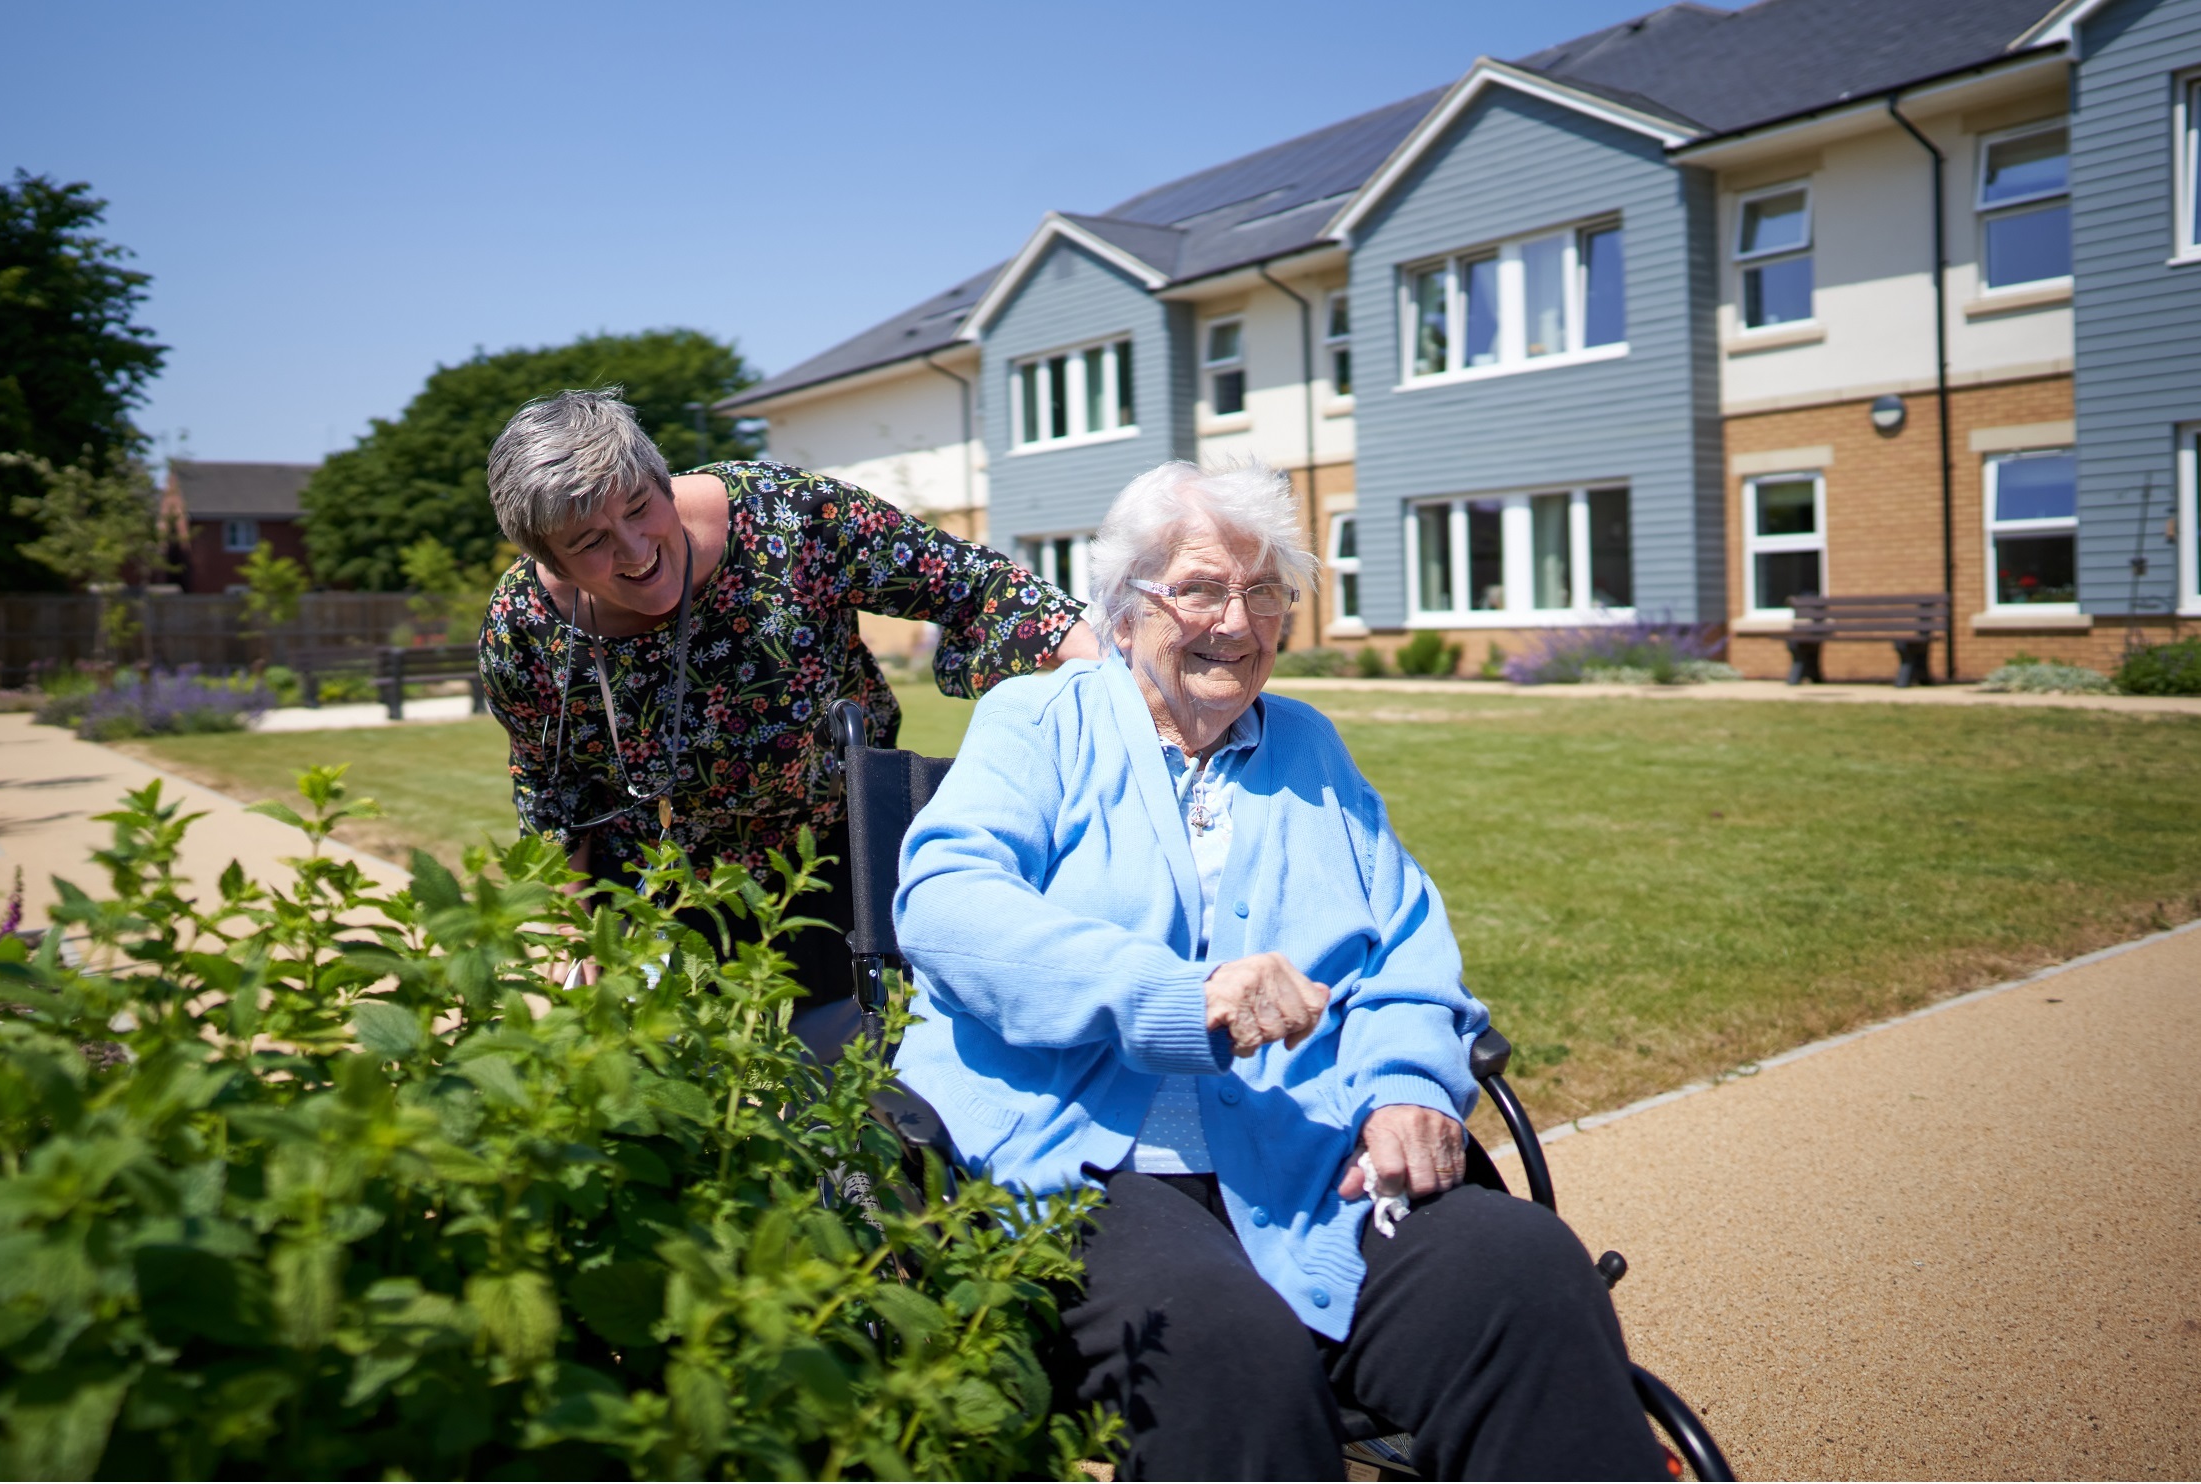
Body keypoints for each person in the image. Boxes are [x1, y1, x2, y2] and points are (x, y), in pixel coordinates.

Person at [890, 461, 1668, 1480]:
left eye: (1265, 592)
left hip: (1306, 1162)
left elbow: (1404, 947)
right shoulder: (1036, 722)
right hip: (1079, 1163)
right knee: (1221, 1350)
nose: (1238, 622)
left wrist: (1402, 1086)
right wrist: (1175, 996)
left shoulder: (1306, 746)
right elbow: (947, 904)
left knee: (1523, 1268)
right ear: (1125, 612)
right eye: (1203, 589)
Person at [478, 388, 1097, 1023]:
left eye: (640, 508)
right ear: (546, 557)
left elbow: (979, 586)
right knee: (667, 1092)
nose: (635, 550)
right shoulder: (522, 630)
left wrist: (1112, 686)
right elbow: (552, 790)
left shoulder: (792, 518)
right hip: (651, 881)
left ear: (663, 483)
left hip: (828, 857)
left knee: (841, 1075)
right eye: (591, 542)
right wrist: (566, 923)